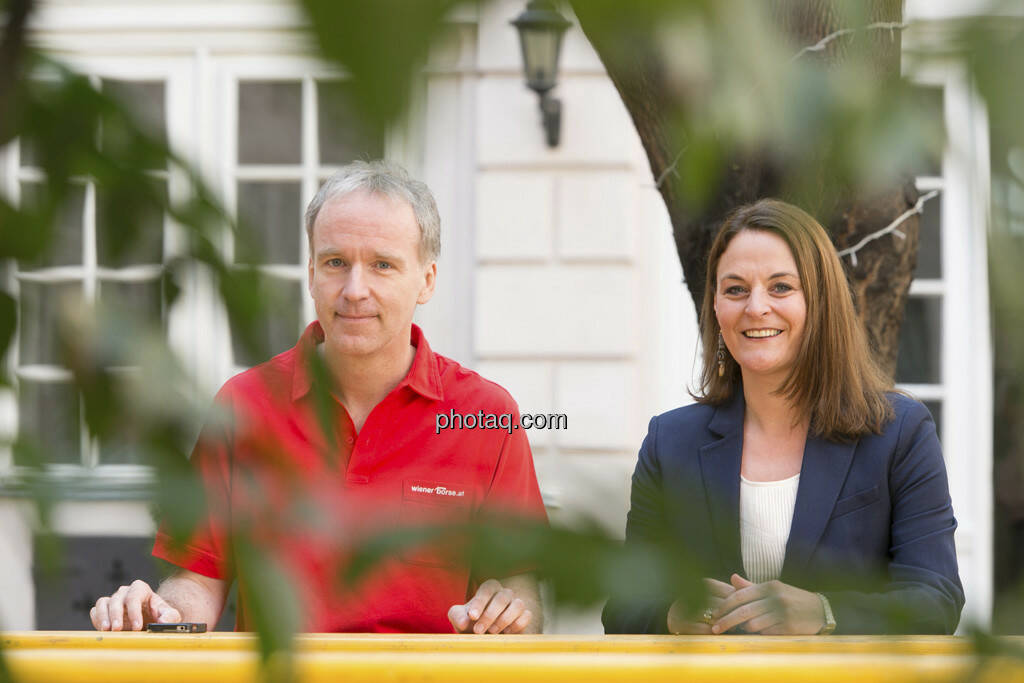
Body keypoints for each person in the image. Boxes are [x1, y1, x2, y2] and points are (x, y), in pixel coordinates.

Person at [90, 160, 546, 634]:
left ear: (427, 280)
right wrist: (162, 616)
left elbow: (521, 594)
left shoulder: (485, 415)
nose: (354, 290)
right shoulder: (243, 406)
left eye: (382, 265)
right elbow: (198, 582)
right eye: (335, 263)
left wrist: (509, 614)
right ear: (311, 273)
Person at [602, 199, 963, 635]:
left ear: (820, 301)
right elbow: (622, 608)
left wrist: (825, 613)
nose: (756, 307)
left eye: (780, 288)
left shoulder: (899, 432)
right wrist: (673, 613)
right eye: (735, 289)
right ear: (716, 307)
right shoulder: (670, 440)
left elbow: (935, 600)